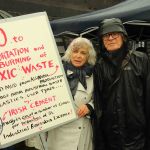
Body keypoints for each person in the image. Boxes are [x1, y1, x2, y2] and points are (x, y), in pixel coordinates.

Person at [94, 18, 150, 150]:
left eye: (115, 34)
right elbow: (98, 102)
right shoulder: (99, 66)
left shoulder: (140, 59)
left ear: (123, 37)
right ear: (101, 40)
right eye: (106, 35)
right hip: (111, 135)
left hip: (137, 133)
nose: (111, 38)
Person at [47, 37, 96, 150]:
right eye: (75, 51)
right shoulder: (56, 71)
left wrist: (90, 106)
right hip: (59, 132)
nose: (78, 56)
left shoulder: (94, 75)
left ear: (88, 57)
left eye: (83, 53)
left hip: (82, 131)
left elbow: (101, 98)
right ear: (69, 53)